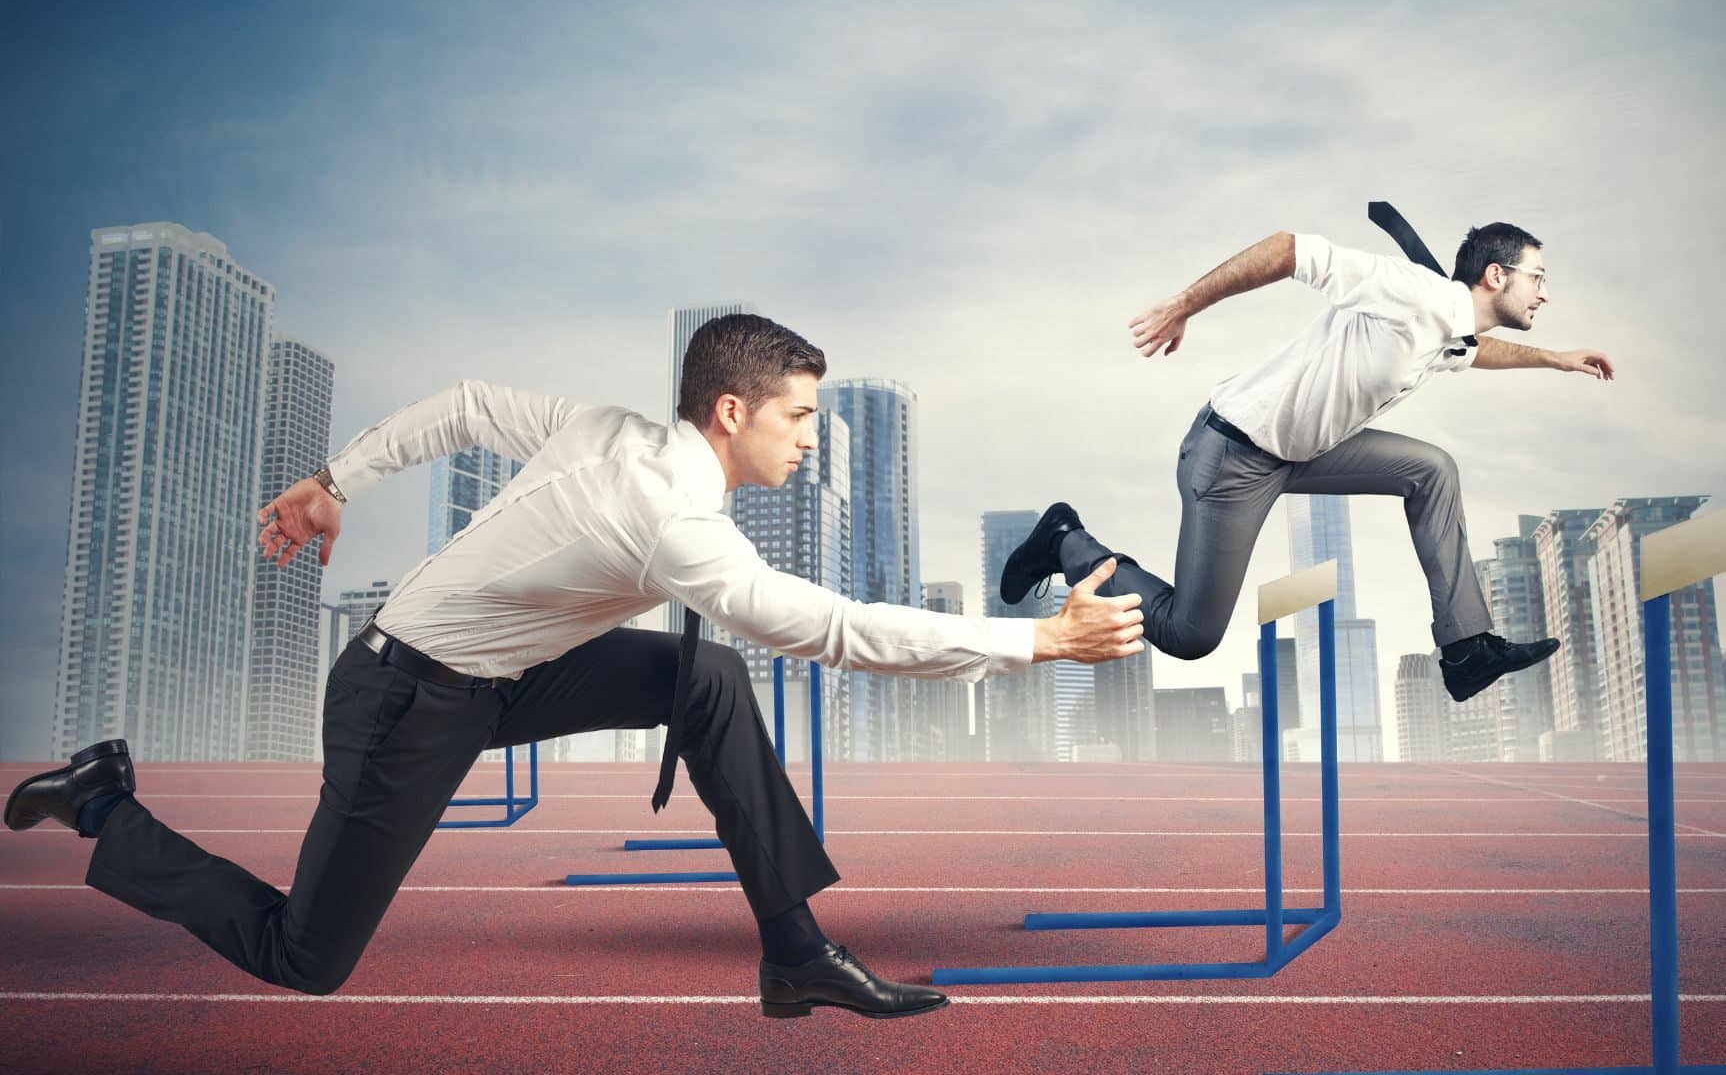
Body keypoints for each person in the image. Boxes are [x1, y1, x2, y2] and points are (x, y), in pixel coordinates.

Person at [5, 313, 1145, 1019]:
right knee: (303, 959)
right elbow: (826, 626)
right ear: (731, 409)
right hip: (404, 699)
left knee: (702, 679)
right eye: (798, 417)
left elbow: (460, 406)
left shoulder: (606, 428)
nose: (809, 437)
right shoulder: (670, 521)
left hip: (503, 673)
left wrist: (336, 480)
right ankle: (104, 807)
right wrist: (1033, 640)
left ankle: (795, 954)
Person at [1000, 220, 1613, 703]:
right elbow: (1289, 249)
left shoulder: (1449, 330)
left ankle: (1465, 648)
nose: (1546, 291)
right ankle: (1067, 541)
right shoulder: (1412, 292)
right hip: (1233, 454)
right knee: (1191, 635)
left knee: (1431, 470)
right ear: (1497, 275)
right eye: (1539, 277)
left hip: (1302, 454)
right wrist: (1182, 304)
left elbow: (1473, 353)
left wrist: (1555, 359)